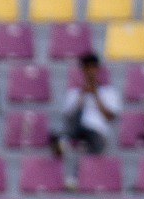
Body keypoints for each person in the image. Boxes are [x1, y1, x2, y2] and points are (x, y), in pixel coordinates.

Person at [51, 53, 120, 189]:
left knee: (85, 150)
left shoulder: (109, 92)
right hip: (77, 128)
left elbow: (110, 117)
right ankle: (65, 143)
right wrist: (82, 95)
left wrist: (95, 95)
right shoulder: (75, 93)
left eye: (92, 68)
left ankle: (73, 172)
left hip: (97, 133)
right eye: (86, 68)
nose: (90, 72)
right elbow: (68, 116)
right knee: (72, 123)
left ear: (97, 69)